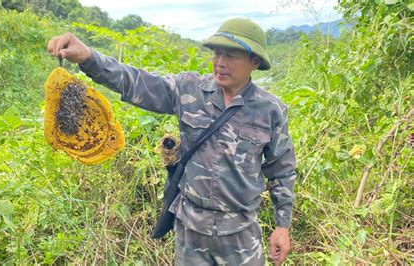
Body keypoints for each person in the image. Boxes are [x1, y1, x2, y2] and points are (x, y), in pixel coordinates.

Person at [48, 17, 296, 266]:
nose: (220, 63)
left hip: (240, 235)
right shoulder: (188, 90)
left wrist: (282, 226)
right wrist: (88, 57)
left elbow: (282, 172)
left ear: (254, 61)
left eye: (231, 56)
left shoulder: (271, 110)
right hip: (190, 231)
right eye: (217, 53)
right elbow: (136, 81)